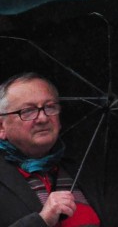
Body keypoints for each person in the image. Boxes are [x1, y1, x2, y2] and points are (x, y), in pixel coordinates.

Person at [0, 72, 102, 227]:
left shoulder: (82, 172)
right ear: (1, 127)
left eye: (50, 107)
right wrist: (42, 220)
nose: (43, 118)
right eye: (28, 111)